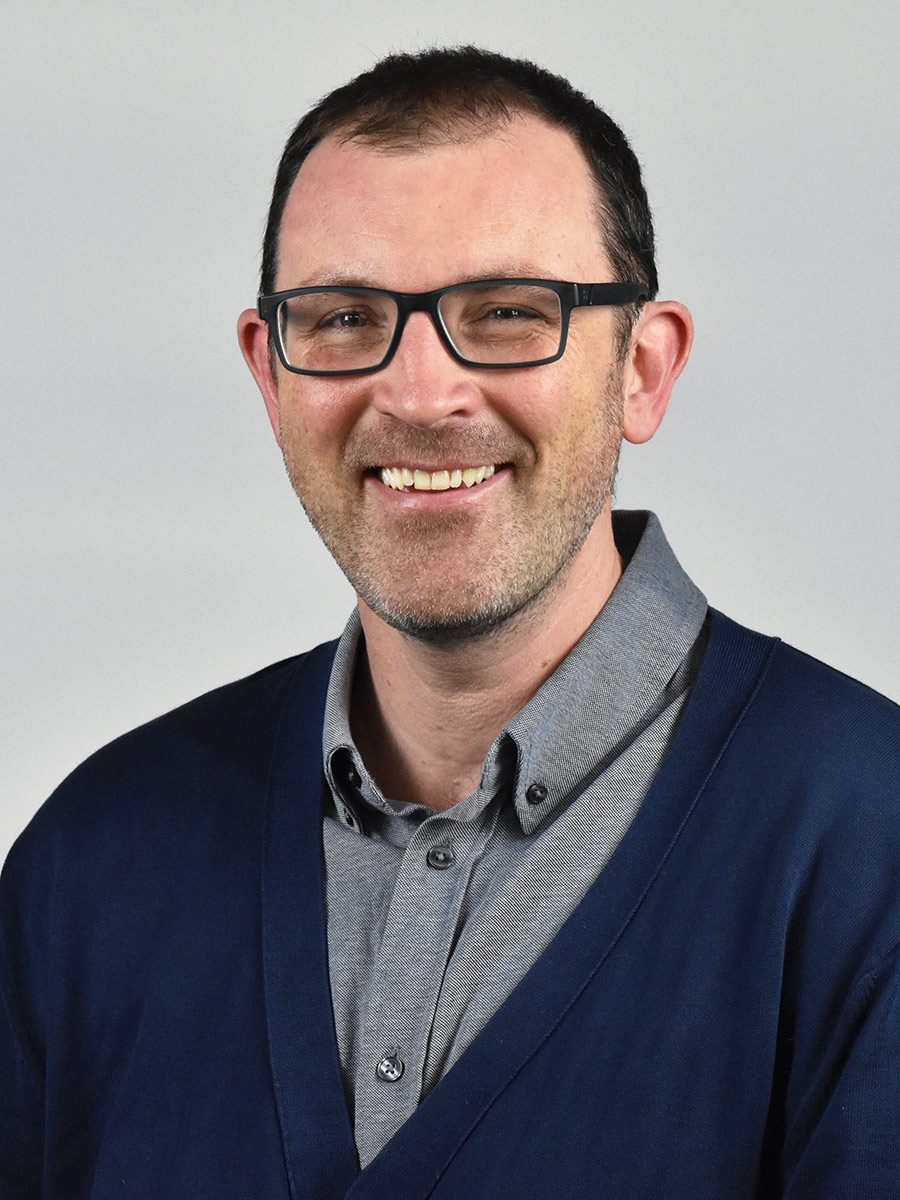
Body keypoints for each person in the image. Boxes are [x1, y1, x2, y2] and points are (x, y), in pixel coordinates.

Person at [1, 45, 898, 1200]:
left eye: (510, 312)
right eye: (343, 317)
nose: (422, 395)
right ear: (271, 375)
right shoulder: (92, 861)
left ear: (643, 369)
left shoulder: (867, 849)